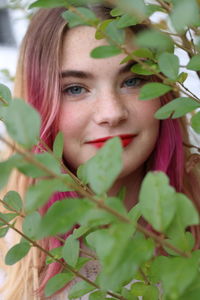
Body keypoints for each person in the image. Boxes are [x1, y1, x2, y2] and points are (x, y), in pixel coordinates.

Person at [0, 4, 200, 300]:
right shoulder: (11, 257)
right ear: (36, 107)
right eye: (75, 89)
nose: (112, 113)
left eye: (132, 81)